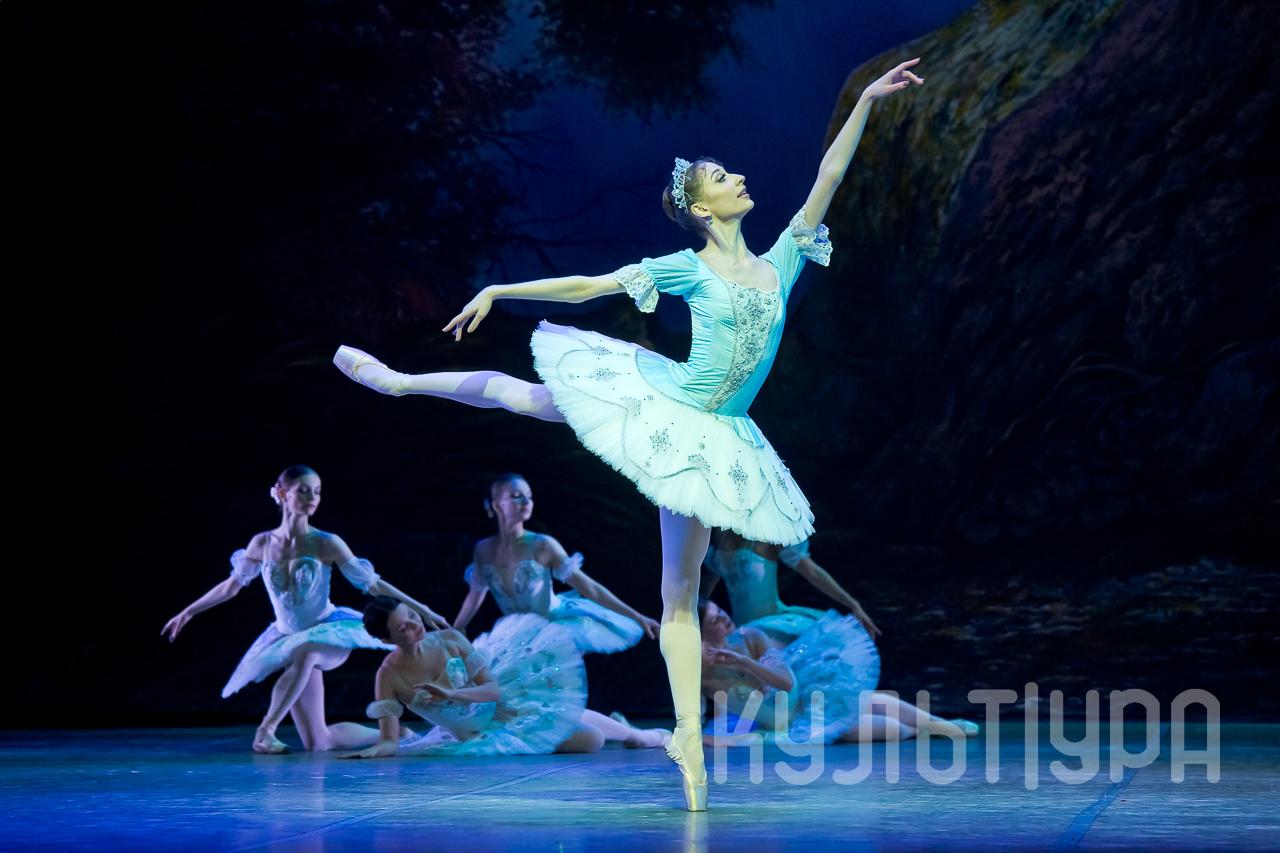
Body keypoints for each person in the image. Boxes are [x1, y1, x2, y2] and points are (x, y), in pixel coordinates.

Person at [333, 58, 926, 809]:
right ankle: (399, 382)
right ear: (701, 207)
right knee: (530, 398)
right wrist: (502, 287)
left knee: (680, 592)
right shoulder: (687, 266)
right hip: (667, 404)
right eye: (722, 176)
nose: (739, 177)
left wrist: (866, 99)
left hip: (720, 437)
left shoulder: (781, 260)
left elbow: (829, 174)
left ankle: (686, 736)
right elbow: (591, 285)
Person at [161, 465, 449, 754]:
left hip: (327, 632)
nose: (312, 498)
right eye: (303, 491)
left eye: (317, 491)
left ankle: (265, 731)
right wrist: (188, 612)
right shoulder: (262, 543)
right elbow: (231, 586)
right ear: (282, 493)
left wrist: (423, 609)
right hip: (287, 636)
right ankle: (399, 733)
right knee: (319, 742)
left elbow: (374, 585)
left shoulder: (326, 543)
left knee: (307, 651)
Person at [341, 597, 668, 758]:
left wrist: (452, 695)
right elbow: (388, 739)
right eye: (403, 628)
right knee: (591, 740)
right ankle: (627, 731)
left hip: (504, 706)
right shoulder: (389, 675)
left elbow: (492, 690)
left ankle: (638, 735)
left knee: (588, 733)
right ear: (386, 639)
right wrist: (374, 750)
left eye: (413, 616)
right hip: (479, 735)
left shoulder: (449, 640)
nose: (416, 626)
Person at [699, 600, 978, 743]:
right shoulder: (705, 675)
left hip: (804, 694)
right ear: (700, 634)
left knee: (864, 700)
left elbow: (786, 683)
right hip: (793, 722)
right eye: (715, 620)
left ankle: (938, 723)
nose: (724, 618)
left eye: (720, 610)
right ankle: (919, 731)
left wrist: (743, 661)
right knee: (884, 730)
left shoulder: (749, 637)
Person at [454, 473, 659, 653]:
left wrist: (637, 616)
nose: (526, 501)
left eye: (529, 496)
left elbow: (590, 588)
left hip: (553, 629)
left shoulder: (542, 545)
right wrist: (455, 629)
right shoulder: (483, 550)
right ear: (497, 505)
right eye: (516, 496)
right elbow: (475, 595)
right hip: (516, 636)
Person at [703, 530, 880, 645]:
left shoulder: (766, 532)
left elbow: (812, 572)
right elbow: (705, 589)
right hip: (739, 633)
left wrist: (853, 604)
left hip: (773, 629)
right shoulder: (719, 534)